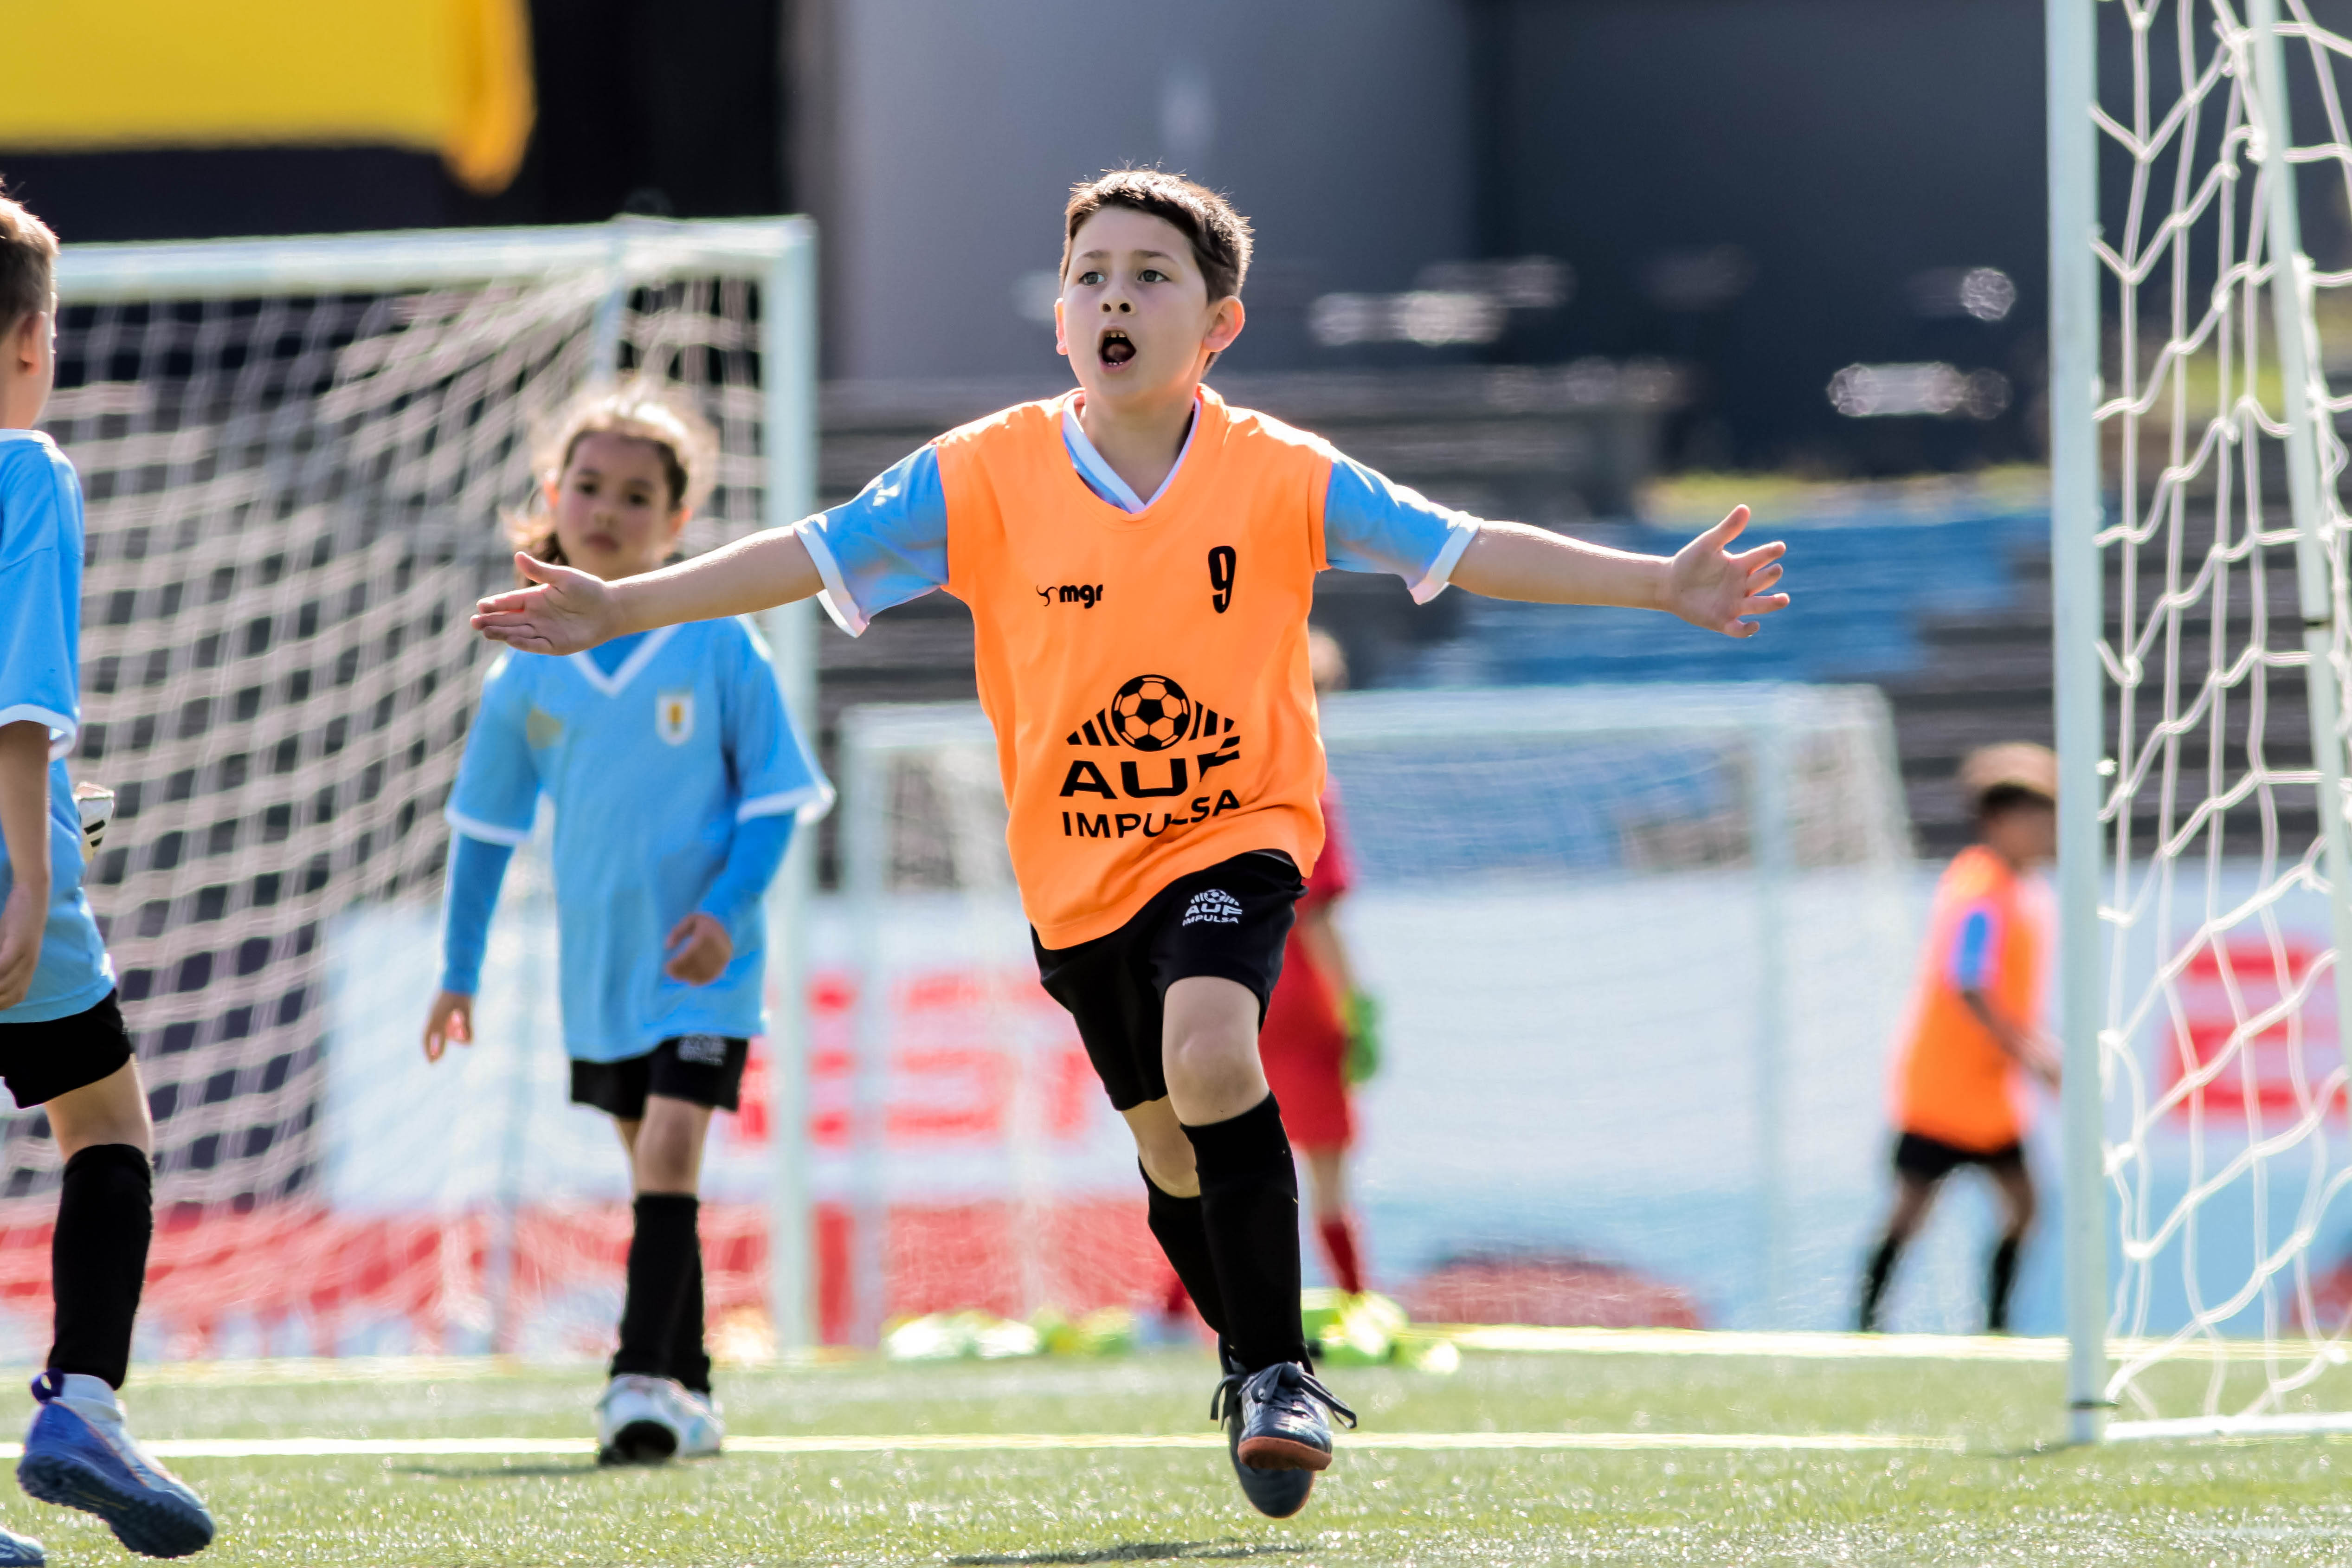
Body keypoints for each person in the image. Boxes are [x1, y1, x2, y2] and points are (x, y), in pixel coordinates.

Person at [470, 168, 1786, 1517]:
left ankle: (1279, 1369)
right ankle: (1249, 1347)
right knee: (1168, 1153)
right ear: (1060, 317)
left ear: (1217, 326)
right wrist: (623, 606)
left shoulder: (1279, 473)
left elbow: (1458, 545)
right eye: (1093, 272)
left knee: (1213, 1047)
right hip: (1077, 876)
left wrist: (1657, 581)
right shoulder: (981, 472)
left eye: (1152, 275)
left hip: (1241, 832)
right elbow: (804, 555)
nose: (1116, 294)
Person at [421, 386, 829, 1465]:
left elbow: (775, 798)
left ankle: (634, 1380)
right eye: (589, 486)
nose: (608, 510)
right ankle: (688, 1384)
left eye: (637, 494)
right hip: (599, 972)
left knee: (673, 1142)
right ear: (552, 499)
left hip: (705, 962)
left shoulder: (722, 643)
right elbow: (484, 827)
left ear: (677, 521)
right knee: (657, 1170)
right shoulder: (525, 674)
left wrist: (725, 912)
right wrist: (456, 970)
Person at [0, 191, 216, 1562]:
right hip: (11, 866)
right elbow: (20, 696)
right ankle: (83, 1401)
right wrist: (32, 864)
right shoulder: (28, 470)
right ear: (29, 337)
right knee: (106, 1124)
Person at [1858, 742, 2060, 1335]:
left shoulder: (2021, 889)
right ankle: (1865, 1325)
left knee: (2023, 1207)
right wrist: (2031, 1051)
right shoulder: (1980, 888)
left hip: (1988, 1092)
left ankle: (1994, 1325)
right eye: (2037, 819)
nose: (2048, 832)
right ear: (1999, 822)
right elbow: (1967, 979)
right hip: (1946, 1087)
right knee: (1910, 1210)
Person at [1256, 630, 1379, 1302]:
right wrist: (1353, 1008)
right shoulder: (1309, 785)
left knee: (1227, 1153)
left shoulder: (1230, 777)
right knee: (1325, 1159)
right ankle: (1359, 1300)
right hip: (1301, 995)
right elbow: (1318, 914)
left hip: (1232, 987)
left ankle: (1171, 1309)